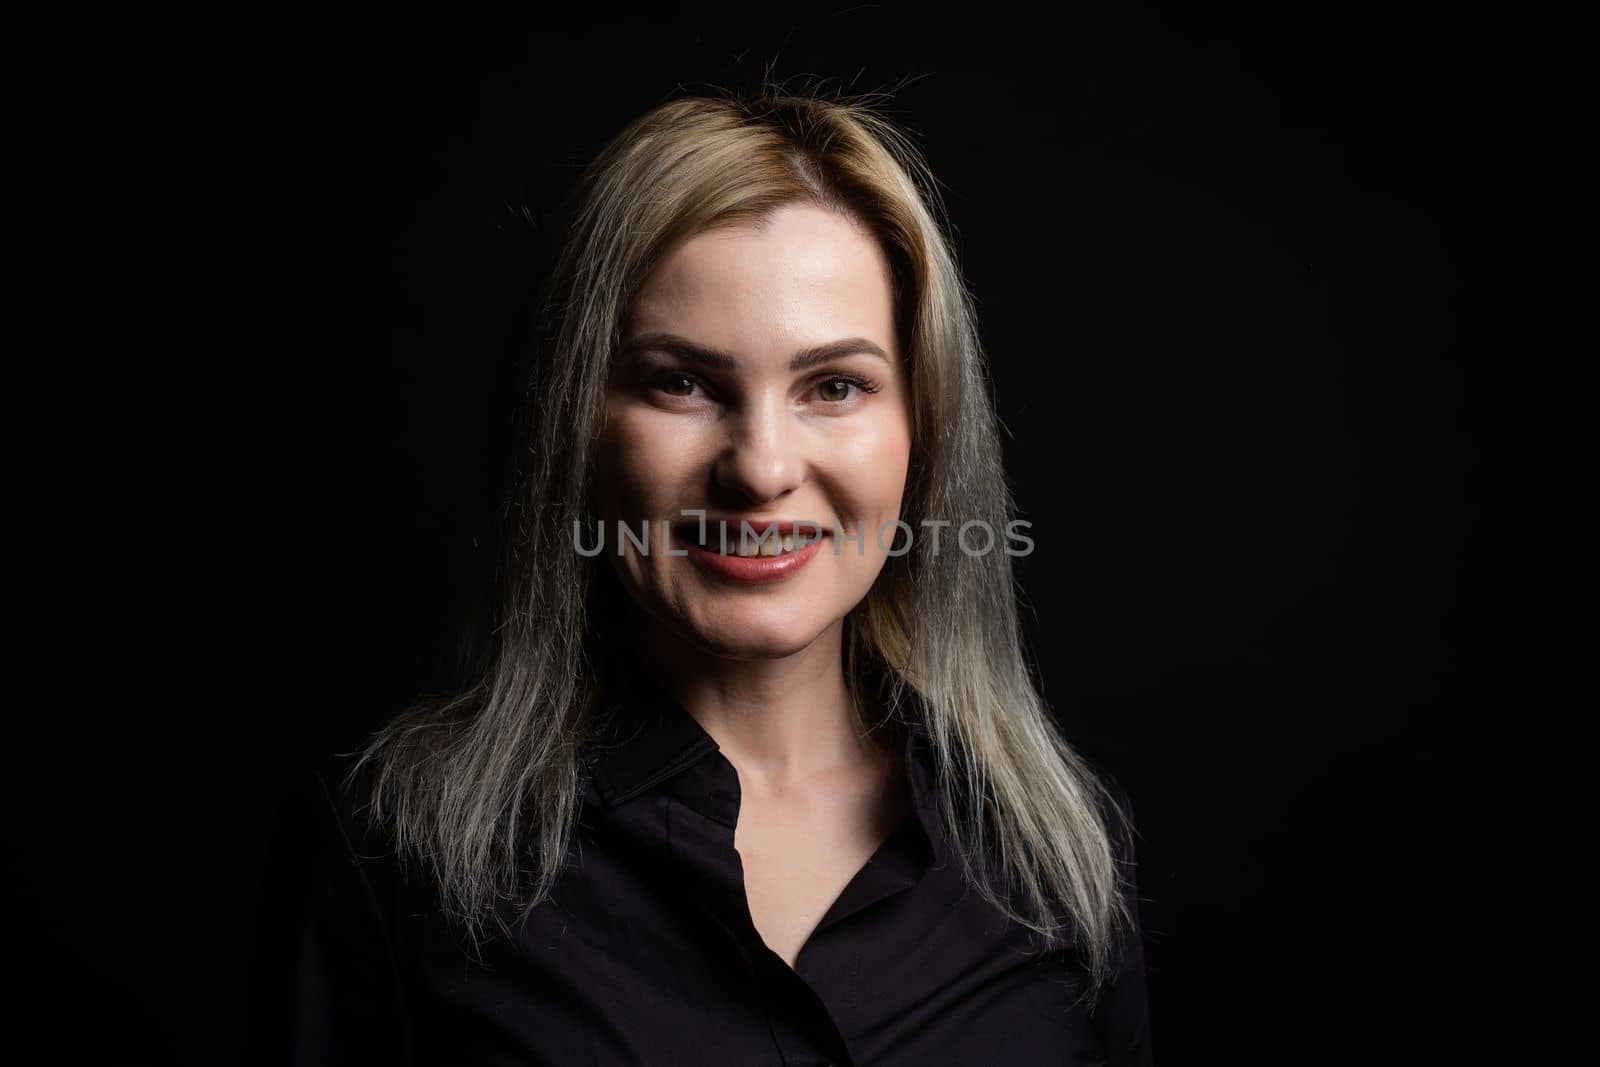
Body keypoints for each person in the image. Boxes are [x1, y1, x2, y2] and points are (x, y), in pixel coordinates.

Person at [265, 86, 1153, 1065]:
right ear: (576, 424)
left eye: (835, 385)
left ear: (924, 432)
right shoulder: (395, 851)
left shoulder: (1058, 853)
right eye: (681, 381)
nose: (762, 467)